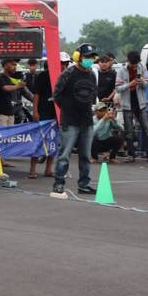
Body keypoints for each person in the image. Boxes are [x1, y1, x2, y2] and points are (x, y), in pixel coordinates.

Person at [52, 44, 98, 195]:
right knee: (64, 155)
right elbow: (56, 95)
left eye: (91, 57)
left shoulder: (91, 74)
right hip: (70, 121)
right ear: (78, 57)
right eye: (86, 56)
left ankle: (84, 184)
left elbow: (92, 96)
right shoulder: (68, 73)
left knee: (86, 155)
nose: (89, 59)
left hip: (87, 120)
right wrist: (67, 109)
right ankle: (58, 183)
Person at [115, 51, 148, 163]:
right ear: (127, 61)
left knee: (147, 129)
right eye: (132, 64)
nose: (135, 67)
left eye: (136, 64)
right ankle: (130, 155)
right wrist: (130, 84)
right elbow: (118, 88)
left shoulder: (142, 68)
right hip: (127, 104)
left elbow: (146, 84)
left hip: (140, 104)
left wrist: (141, 82)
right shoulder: (121, 70)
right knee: (129, 131)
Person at [27, 55, 66, 178]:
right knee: (38, 141)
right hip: (43, 113)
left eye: (66, 64)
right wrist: (35, 111)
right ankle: (32, 169)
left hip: (57, 114)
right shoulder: (43, 76)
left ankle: (48, 169)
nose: (64, 66)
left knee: (53, 142)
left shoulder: (66, 77)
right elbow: (36, 94)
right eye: (62, 63)